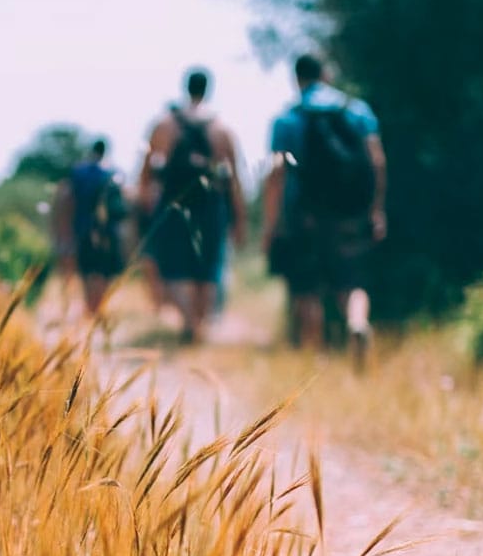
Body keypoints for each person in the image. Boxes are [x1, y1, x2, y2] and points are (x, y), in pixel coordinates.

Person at [262, 54, 387, 364]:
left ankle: (315, 357)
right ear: (327, 74)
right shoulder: (357, 111)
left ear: (297, 78)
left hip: (304, 214)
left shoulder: (287, 118)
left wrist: (271, 223)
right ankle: (357, 324)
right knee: (351, 279)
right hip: (349, 211)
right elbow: (377, 161)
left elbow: (277, 174)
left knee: (308, 287)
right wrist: (375, 209)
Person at [139, 68, 246, 343]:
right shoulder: (221, 128)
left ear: (185, 88)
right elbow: (234, 178)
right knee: (207, 267)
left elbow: (146, 172)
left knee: (176, 265)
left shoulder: (165, 124)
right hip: (212, 204)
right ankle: (200, 325)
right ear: (208, 89)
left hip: (175, 202)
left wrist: (144, 209)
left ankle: (188, 322)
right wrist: (239, 219)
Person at [54, 139, 127, 316]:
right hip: (109, 231)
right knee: (105, 270)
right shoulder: (114, 172)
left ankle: (90, 307)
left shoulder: (78, 172)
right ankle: (99, 305)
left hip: (83, 228)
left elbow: (67, 200)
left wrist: (64, 231)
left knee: (88, 270)